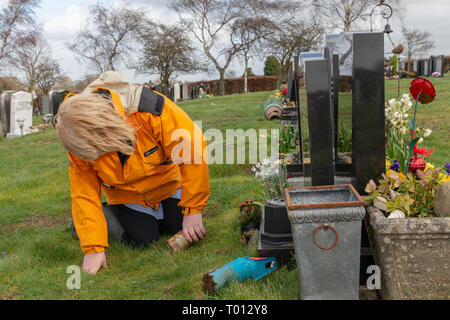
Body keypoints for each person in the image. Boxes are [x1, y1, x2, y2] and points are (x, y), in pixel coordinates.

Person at [54, 71, 209, 275]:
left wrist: (193, 210)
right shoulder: (76, 137)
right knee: (144, 240)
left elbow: (192, 150)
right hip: (127, 195)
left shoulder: (149, 108)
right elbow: (84, 193)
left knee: (178, 226)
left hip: (167, 185)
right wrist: (93, 248)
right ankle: (92, 221)